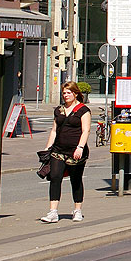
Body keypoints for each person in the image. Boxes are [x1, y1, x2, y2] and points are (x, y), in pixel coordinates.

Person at [40, 81, 91, 223]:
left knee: (76, 180)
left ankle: (77, 210)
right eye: (64, 93)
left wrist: (80, 147)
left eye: (69, 93)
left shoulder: (83, 110)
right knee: (55, 177)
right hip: (58, 150)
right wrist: (47, 148)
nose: (66, 95)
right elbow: (54, 130)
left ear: (75, 94)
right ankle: (53, 212)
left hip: (76, 151)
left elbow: (86, 130)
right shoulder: (59, 110)